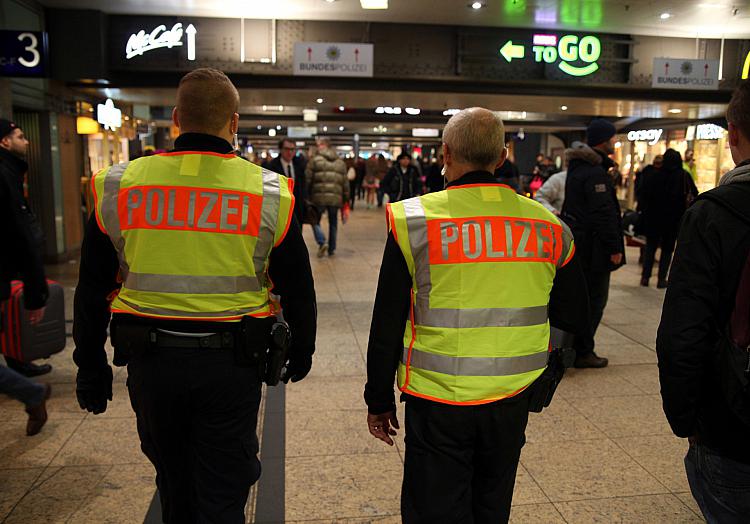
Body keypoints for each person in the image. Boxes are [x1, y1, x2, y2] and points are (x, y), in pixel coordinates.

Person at [72, 68, 317, 524]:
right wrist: (302, 348)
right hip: (231, 366)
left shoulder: (119, 185)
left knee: (174, 483)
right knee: (223, 489)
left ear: (176, 118)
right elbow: (297, 286)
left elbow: (90, 289)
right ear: (235, 122)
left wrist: (89, 365)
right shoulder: (268, 192)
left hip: (151, 364)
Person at [365, 108, 589, 523]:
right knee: (491, 504)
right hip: (512, 396)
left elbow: (387, 322)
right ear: (502, 157)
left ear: (445, 153)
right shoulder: (548, 225)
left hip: (437, 399)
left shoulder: (415, 220)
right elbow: (576, 314)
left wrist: (378, 397)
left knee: (433, 508)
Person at [657, 81, 750, 522]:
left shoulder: (716, 214)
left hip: (735, 427)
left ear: (732, 134)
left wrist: (687, 420)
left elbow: (683, 333)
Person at [0, 118, 51, 436]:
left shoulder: (8, 173)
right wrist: (36, 291)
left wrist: (35, 292)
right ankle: (28, 387)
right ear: (5, 142)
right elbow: (22, 236)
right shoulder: (6, 175)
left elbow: (20, 235)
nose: (27, 141)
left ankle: (28, 388)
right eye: (20, 136)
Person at [561, 121, 625, 369]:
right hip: (595, 248)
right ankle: (584, 351)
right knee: (595, 300)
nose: (613, 142)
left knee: (584, 297)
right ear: (603, 140)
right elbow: (603, 213)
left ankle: (577, 348)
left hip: (581, 244)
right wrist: (614, 247)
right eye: (611, 138)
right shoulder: (594, 173)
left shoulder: (578, 169)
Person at [638, 149, 697, 288]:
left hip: (653, 219)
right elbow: (694, 194)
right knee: (667, 250)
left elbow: (644, 195)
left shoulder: (654, 175)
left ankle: (645, 277)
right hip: (673, 220)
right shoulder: (683, 176)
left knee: (650, 248)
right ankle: (661, 279)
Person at [305, 137, 349, 258]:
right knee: (333, 223)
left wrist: (306, 195)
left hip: (318, 196)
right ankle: (332, 248)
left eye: (319, 144)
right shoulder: (340, 162)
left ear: (323, 145)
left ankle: (322, 241)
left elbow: (308, 179)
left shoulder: (314, 160)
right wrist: (346, 198)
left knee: (315, 220)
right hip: (335, 198)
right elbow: (345, 182)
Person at [267, 137, 307, 224]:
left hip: (297, 210)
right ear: (281, 150)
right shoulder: (272, 166)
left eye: (292, 149)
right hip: (280, 210)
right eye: (287, 149)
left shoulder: (299, 165)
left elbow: (303, 186)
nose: (290, 152)